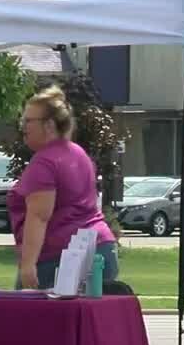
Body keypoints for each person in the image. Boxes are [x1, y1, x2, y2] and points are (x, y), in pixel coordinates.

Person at [8, 86, 118, 290]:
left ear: (49, 125)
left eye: (28, 121)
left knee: (28, 319)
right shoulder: (78, 154)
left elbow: (39, 216)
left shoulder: (44, 162)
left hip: (60, 259)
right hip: (101, 247)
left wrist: (28, 264)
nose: (23, 126)